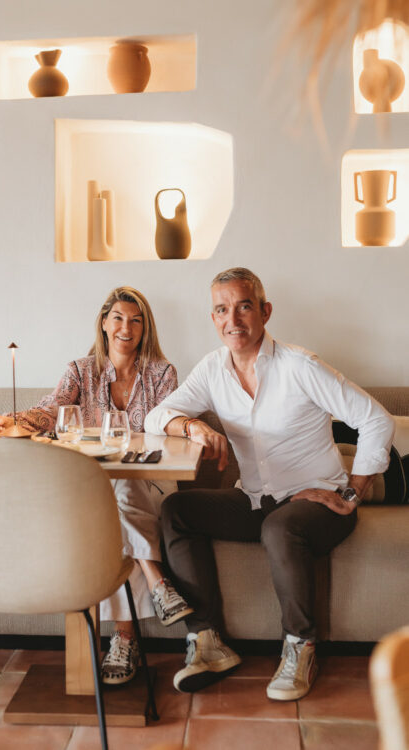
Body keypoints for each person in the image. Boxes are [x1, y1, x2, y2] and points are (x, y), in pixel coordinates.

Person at [144, 267, 395, 699]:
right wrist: (192, 427)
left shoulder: (300, 365)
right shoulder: (212, 369)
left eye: (244, 306)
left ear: (265, 311)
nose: (233, 319)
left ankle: (301, 646)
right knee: (177, 511)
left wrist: (352, 493)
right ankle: (207, 642)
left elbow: (376, 420)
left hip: (319, 504)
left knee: (280, 526)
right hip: (257, 500)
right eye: (222, 309)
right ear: (213, 318)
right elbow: (156, 416)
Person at [0, 286, 193, 684]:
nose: (126, 327)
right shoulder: (80, 371)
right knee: (109, 497)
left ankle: (125, 638)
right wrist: (10, 420)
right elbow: (51, 408)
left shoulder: (162, 373)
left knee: (117, 490)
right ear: (103, 322)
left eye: (135, 320)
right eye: (118, 317)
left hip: (153, 482)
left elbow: (169, 427)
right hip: (102, 489)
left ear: (145, 327)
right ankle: (155, 586)